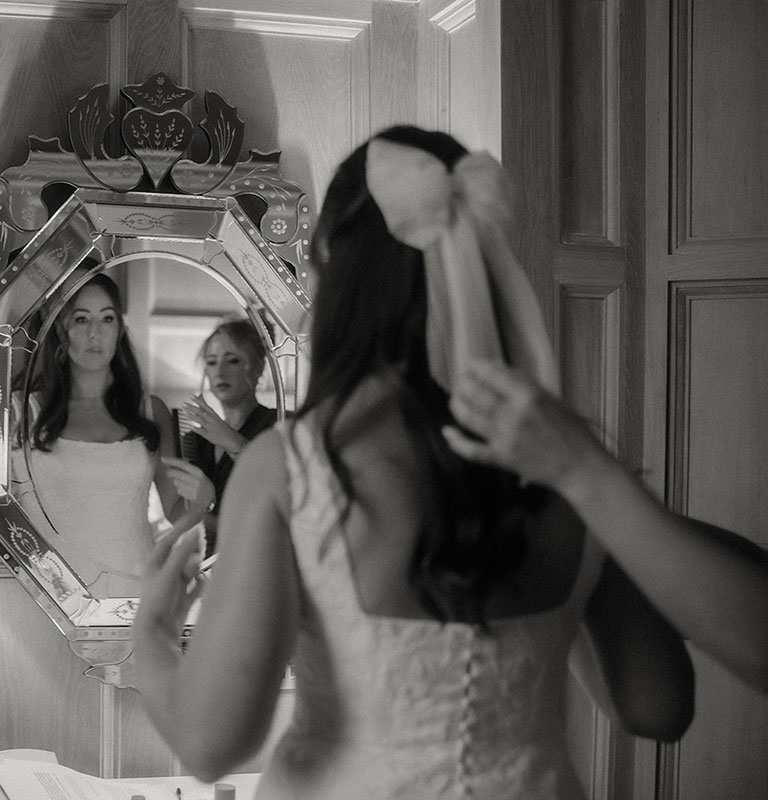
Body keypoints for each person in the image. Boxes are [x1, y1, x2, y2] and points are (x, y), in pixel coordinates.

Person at [129, 126, 738, 798]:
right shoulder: (565, 462)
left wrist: (154, 633)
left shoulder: (291, 468)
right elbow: (657, 704)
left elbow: (213, 743)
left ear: (330, 265)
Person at [14, 272, 214, 599]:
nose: (96, 333)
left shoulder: (150, 411)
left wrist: (204, 501)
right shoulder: (23, 412)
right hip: (52, 595)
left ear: (119, 329)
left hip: (135, 593)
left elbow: (177, 510)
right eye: (81, 319)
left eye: (107, 319)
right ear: (60, 330)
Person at [177, 319, 277, 557]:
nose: (220, 372)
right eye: (211, 362)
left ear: (258, 367)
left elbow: (281, 493)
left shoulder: (279, 425)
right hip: (205, 564)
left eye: (233, 360)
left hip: (260, 558)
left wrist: (232, 441)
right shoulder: (196, 440)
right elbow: (186, 517)